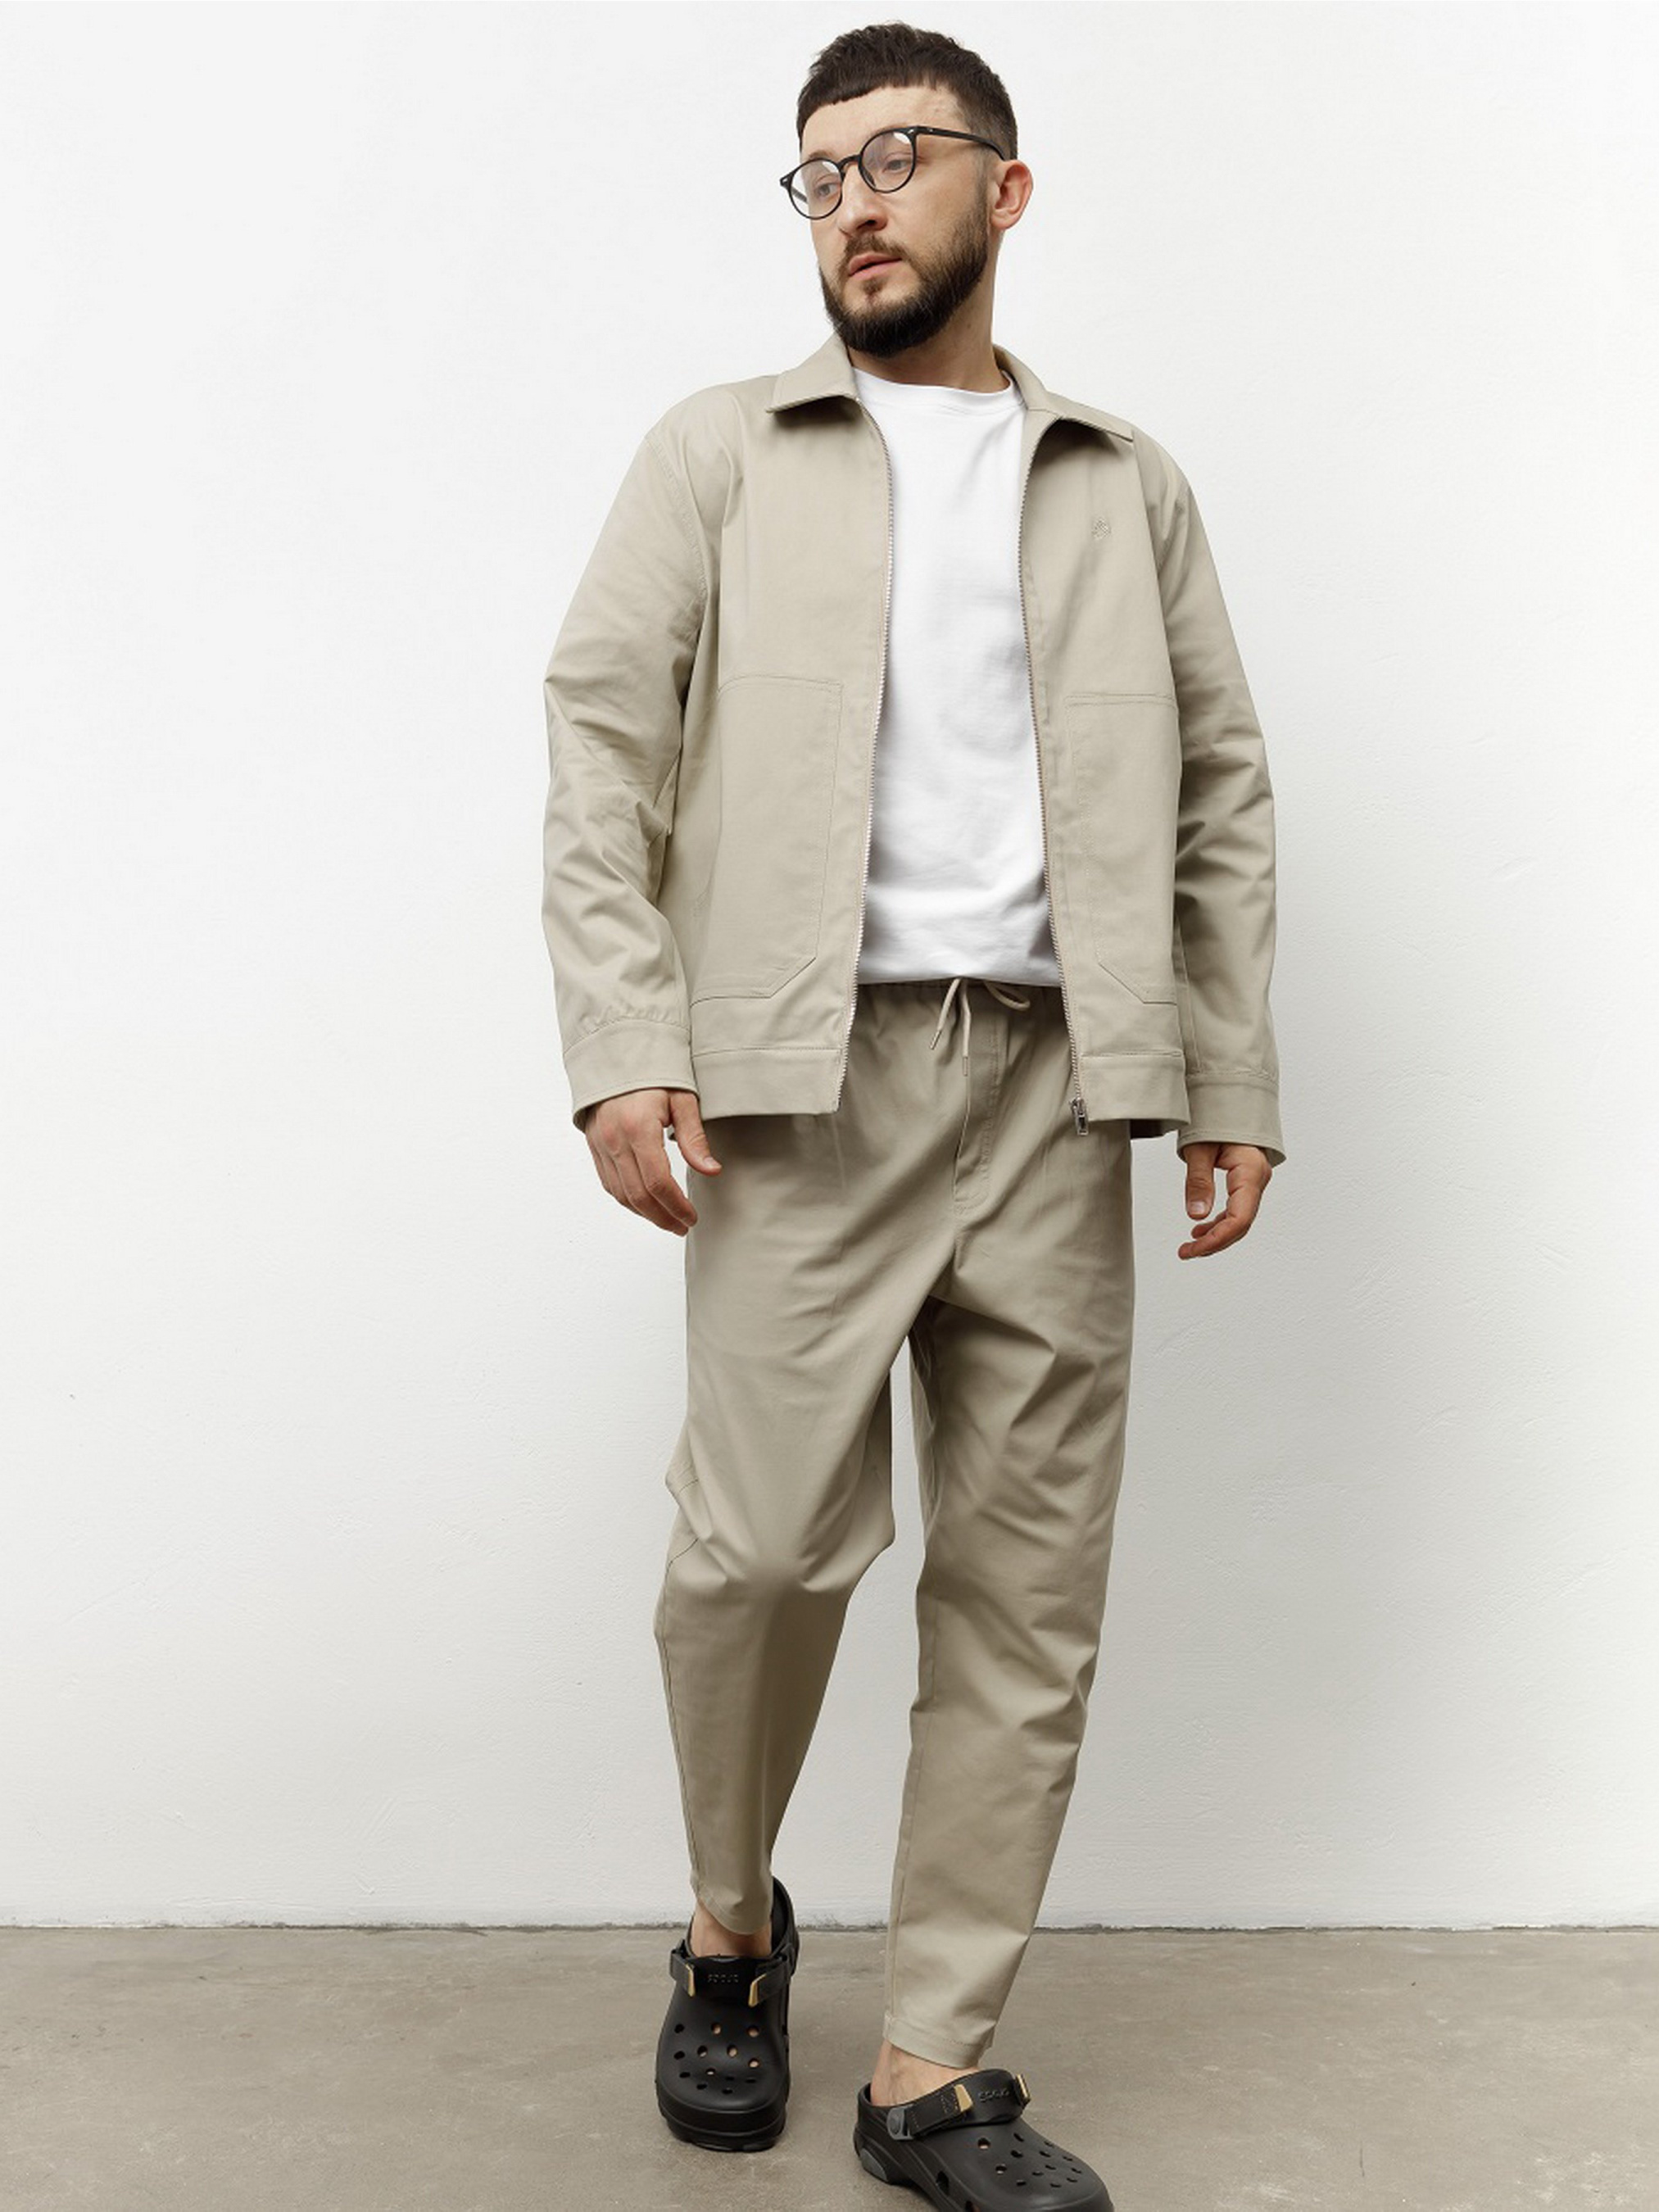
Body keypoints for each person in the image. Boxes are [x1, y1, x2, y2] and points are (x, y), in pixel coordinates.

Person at [539, 23, 1285, 2209]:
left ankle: (933, 2066)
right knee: (758, 1552)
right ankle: (730, 1928)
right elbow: (601, 747)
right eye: (820, 176)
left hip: (1061, 1081)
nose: (853, 206)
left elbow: (1220, 789)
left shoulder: (1119, 481)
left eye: (896, 160)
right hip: (801, 1083)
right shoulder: (719, 453)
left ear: (1003, 191)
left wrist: (1225, 1068)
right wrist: (622, 1039)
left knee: (1026, 1591)